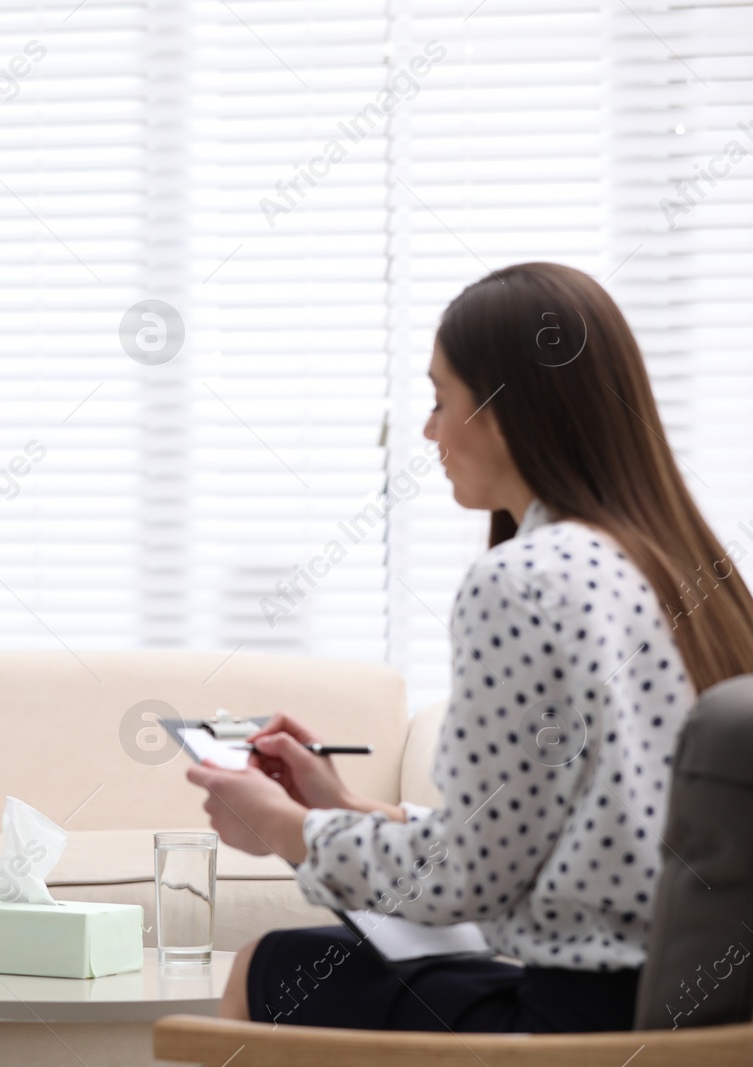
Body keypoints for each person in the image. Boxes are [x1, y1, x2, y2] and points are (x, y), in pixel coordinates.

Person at [187, 262, 753, 1032]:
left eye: (438, 397)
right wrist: (347, 805)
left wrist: (285, 827)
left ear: (497, 409)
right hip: (693, 1008)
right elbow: (536, 837)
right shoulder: (686, 568)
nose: (427, 430)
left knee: (269, 964)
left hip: (579, 1020)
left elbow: (474, 875)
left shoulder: (523, 579)